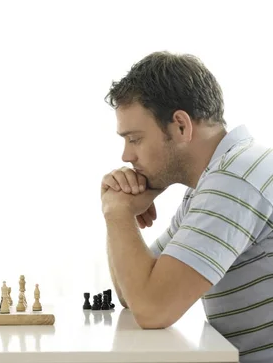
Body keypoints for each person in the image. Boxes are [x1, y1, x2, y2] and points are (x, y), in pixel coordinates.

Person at [102, 51, 273, 362]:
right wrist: (118, 213)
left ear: (180, 126)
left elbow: (153, 309)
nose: (126, 156)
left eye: (135, 139)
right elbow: (132, 295)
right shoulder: (214, 182)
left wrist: (118, 214)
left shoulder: (234, 179)